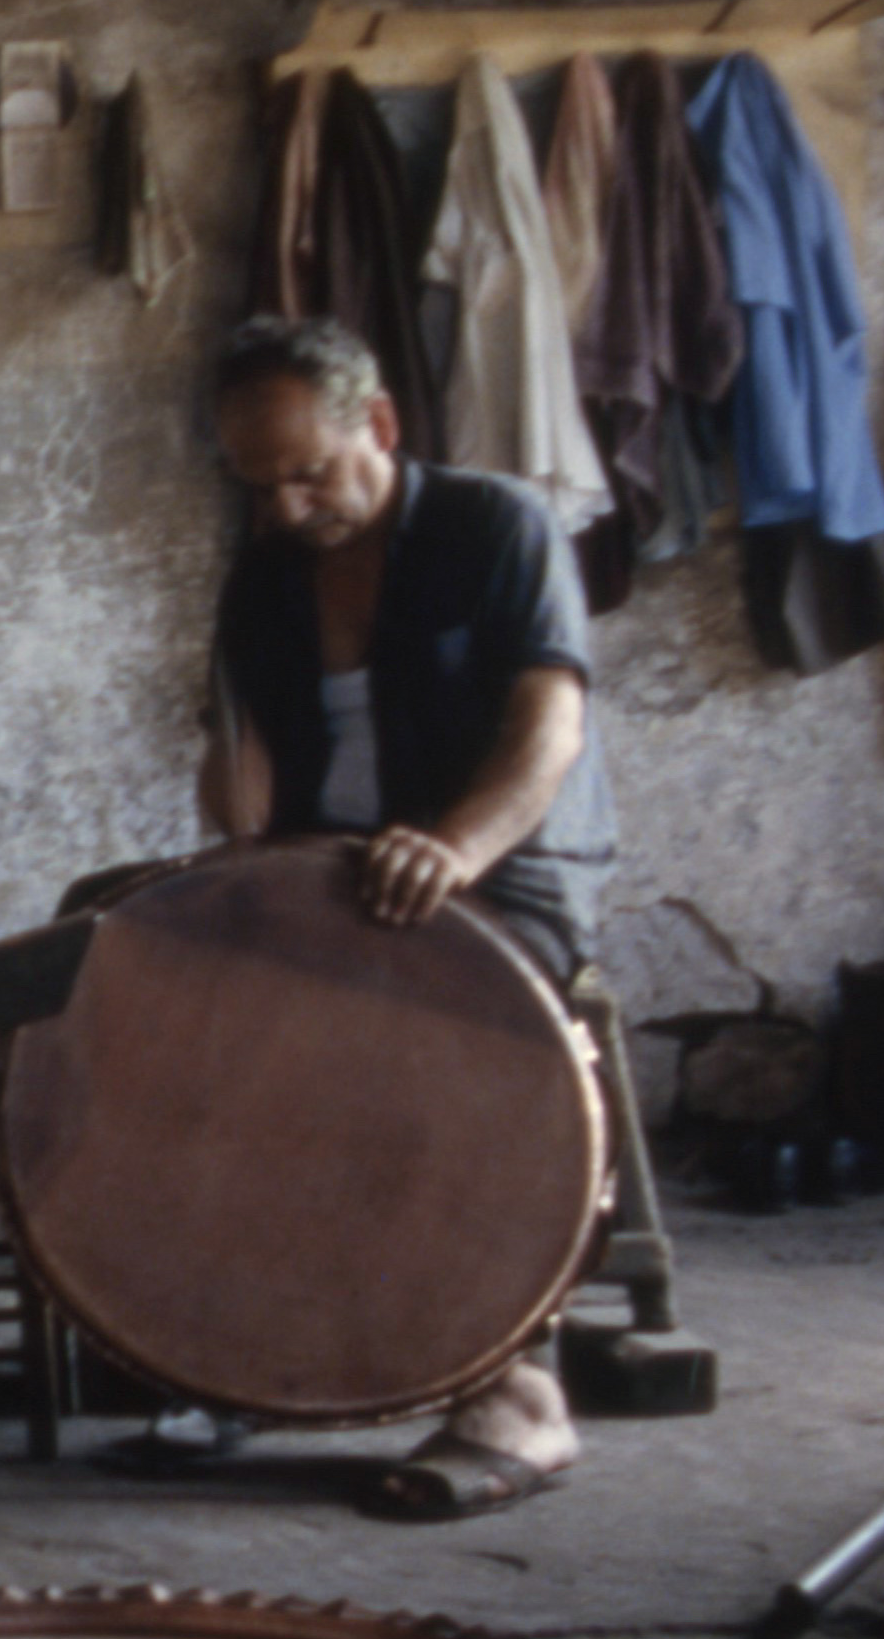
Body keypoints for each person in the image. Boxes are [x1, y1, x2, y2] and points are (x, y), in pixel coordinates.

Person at [191, 311, 620, 1518]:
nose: (286, 507)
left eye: (308, 474)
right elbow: (246, 770)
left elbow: (550, 728)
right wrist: (233, 860)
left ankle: (516, 1390)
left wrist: (456, 848)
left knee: (428, 1028)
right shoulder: (267, 570)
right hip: (331, 868)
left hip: (505, 866)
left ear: (377, 425)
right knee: (179, 1004)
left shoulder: (496, 525)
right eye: (258, 485)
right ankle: (259, 1351)